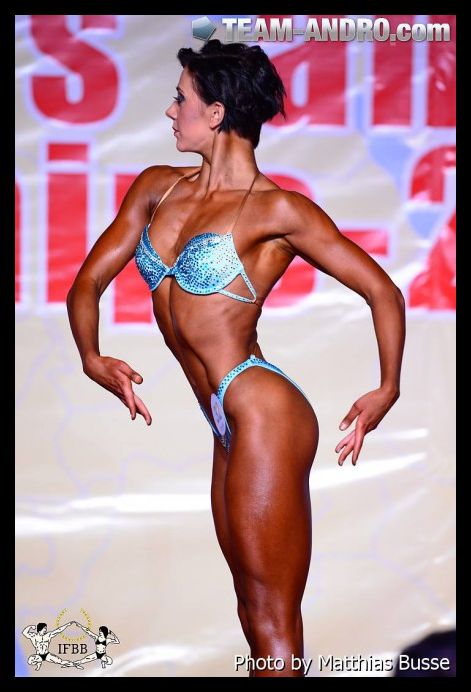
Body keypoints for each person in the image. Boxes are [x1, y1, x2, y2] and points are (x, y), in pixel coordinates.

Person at [66, 39, 405, 677]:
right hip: (224, 419)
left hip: (263, 409)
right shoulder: (157, 189)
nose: (171, 112)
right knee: (252, 613)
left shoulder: (278, 210)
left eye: (181, 99)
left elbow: (383, 290)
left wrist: (387, 387)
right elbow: (87, 282)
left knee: (274, 622)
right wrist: (91, 356)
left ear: (216, 113)